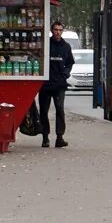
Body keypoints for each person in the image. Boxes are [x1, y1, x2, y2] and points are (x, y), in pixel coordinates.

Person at [40, 20, 74, 148]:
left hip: (59, 85)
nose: (58, 32)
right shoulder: (46, 44)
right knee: (44, 111)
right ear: (51, 30)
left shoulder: (66, 46)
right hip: (45, 84)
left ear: (62, 31)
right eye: (56, 30)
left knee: (60, 110)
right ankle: (45, 137)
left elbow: (70, 63)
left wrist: (65, 73)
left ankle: (59, 137)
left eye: (60, 30)